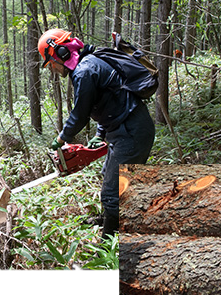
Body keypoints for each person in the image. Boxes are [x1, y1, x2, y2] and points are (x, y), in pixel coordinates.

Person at [38, 28, 155, 238]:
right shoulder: (88, 64)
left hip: (132, 133)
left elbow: (80, 114)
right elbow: (109, 100)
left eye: (51, 63)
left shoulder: (84, 71)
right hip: (124, 129)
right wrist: (100, 134)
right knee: (107, 177)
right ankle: (108, 220)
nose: (53, 69)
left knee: (112, 194)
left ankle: (109, 246)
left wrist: (62, 138)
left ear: (62, 54)